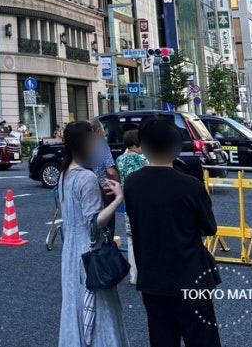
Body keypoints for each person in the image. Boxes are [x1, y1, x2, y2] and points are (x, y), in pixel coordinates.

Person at [124, 116, 220, 347]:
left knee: (162, 339)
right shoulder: (190, 186)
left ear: (144, 146)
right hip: (191, 277)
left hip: (152, 278)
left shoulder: (132, 183)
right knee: (202, 339)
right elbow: (209, 228)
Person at [57, 120, 128, 347]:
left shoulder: (64, 175)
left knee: (75, 305)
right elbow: (93, 223)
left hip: (70, 251)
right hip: (90, 252)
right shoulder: (86, 178)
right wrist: (118, 199)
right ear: (84, 143)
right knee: (100, 310)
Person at [115, 129, 148, 285]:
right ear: (135, 145)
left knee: (131, 239)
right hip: (145, 202)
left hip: (129, 203)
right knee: (146, 237)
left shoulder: (120, 160)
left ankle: (133, 275)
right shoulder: (142, 159)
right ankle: (146, 271)